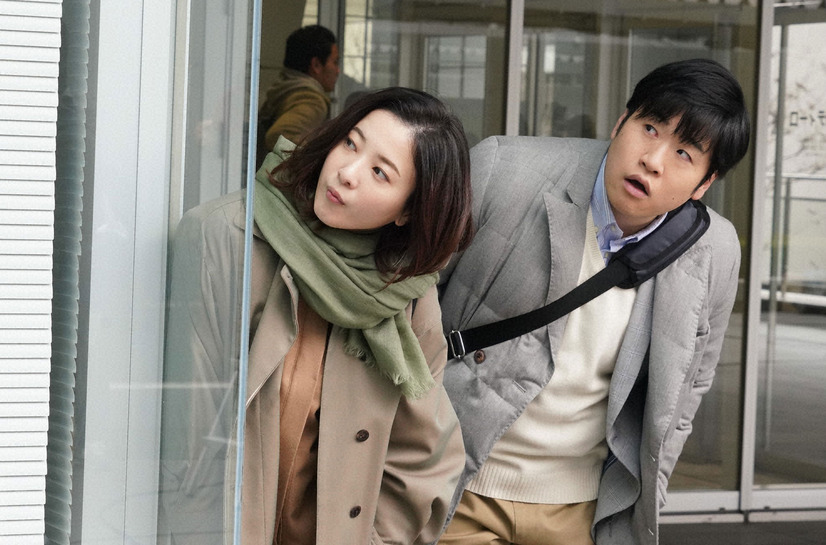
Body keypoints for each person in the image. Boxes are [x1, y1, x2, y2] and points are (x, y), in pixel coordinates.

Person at [436, 58, 751, 545]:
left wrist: (647, 488)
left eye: (684, 153)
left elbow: (688, 389)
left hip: (584, 511)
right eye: (650, 128)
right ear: (621, 121)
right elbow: (408, 302)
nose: (654, 159)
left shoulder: (715, 251)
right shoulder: (502, 170)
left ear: (704, 185)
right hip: (458, 486)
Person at [159, 87, 474, 545]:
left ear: (407, 211)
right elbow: (187, 442)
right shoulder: (225, 239)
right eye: (350, 143)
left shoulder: (404, 291)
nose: (347, 172)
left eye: (380, 172)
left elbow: (425, 453)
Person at [256, 24, 340, 168]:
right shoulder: (312, 100)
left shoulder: (285, 89)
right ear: (316, 65)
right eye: (335, 62)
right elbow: (278, 136)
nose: (337, 71)